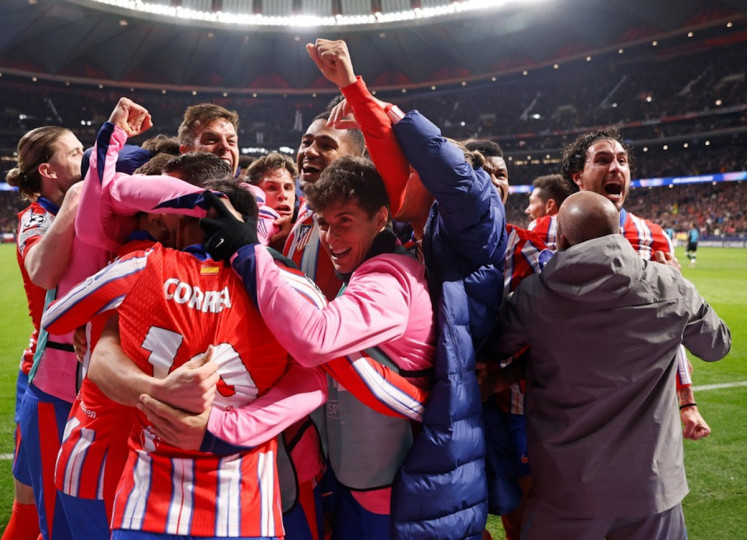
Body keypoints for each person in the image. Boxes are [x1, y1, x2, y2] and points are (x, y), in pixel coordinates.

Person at [305, 38, 508, 539]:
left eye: (416, 170)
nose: (404, 174)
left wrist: (380, 105)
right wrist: (353, 93)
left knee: (431, 514)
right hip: (421, 410)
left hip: (442, 406)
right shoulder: (410, 235)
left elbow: (450, 175)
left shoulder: (470, 229)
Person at [43, 184, 328, 539]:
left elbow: (55, 318)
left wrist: (113, 320)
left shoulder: (143, 263)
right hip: (243, 509)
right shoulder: (287, 286)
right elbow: (322, 355)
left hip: (147, 503)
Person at [202, 155, 435, 539]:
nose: (331, 237)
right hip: (362, 473)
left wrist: (249, 253)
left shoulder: (388, 281)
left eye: (345, 221)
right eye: (324, 224)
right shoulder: (367, 269)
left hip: (387, 484)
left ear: (380, 218)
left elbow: (315, 341)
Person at [494, 191, 731, 539]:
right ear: (618, 234)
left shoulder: (533, 297)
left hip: (565, 489)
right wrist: (679, 284)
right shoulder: (668, 284)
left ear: (561, 238)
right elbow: (716, 345)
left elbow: (494, 346)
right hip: (651, 489)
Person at [528, 129, 711, 440]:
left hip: (635, 403)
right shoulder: (541, 232)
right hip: (564, 400)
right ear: (578, 176)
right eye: (602, 160)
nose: (616, 168)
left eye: (623, 161)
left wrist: (687, 400)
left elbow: (670, 328)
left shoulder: (652, 236)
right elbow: (528, 323)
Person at [3, 125, 84, 540]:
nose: (85, 156)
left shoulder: (84, 205)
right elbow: (42, 270)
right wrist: (74, 197)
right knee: (44, 511)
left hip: (81, 377)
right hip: (51, 379)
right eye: (75, 151)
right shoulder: (35, 219)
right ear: (50, 171)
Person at [245, 152, 298, 250]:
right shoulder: (239, 233)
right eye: (272, 188)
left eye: (287, 188)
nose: (283, 195)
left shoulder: (311, 226)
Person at [177, 103, 241, 177]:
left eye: (231, 141)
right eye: (212, 140)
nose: (225, 146)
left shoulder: (249, 188)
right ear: (185, 152)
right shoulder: (169, 187)